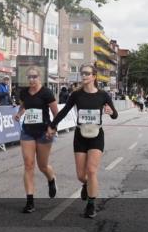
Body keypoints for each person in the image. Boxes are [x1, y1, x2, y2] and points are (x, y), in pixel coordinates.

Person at [50, 63, 119, 218]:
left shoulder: (103, 95)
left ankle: (91, 205)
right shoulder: (76, 95)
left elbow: (115, 115)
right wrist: (52, 125)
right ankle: (85, 184)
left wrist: (110, 111)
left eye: (87, 73)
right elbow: (64, 111)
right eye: (82, 73)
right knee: (81, 175)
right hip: (80, 135)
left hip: (96, 136)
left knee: (92, 170)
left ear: (94, 76)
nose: (84, 76)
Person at [14, 66, 59, 214]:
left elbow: (56, 113)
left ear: (40, 78)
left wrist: (53, 128)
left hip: (43, 133)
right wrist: (19, 114)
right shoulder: (24, 92)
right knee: (28, 164)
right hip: (27, 132)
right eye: (29, 77)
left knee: (43, 165)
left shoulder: (46, 92)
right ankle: (30, 201)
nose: (32, 80)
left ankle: (51, 179)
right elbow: (24, 105)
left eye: (34, 77)